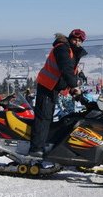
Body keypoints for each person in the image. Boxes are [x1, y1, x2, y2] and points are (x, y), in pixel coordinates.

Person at [29, 29, 88, 157]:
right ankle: (35, 149)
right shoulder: (62, 48)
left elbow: (68, 73)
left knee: (49, 117)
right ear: (70, 38)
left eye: (80, 41)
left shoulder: (71, 51)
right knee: (44, 117)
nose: (77, 42)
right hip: (47, 86)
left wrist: (73, 90)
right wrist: (74, 86)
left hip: (53, 87)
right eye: (75, 39)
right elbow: (65, 69)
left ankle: (44, 143)